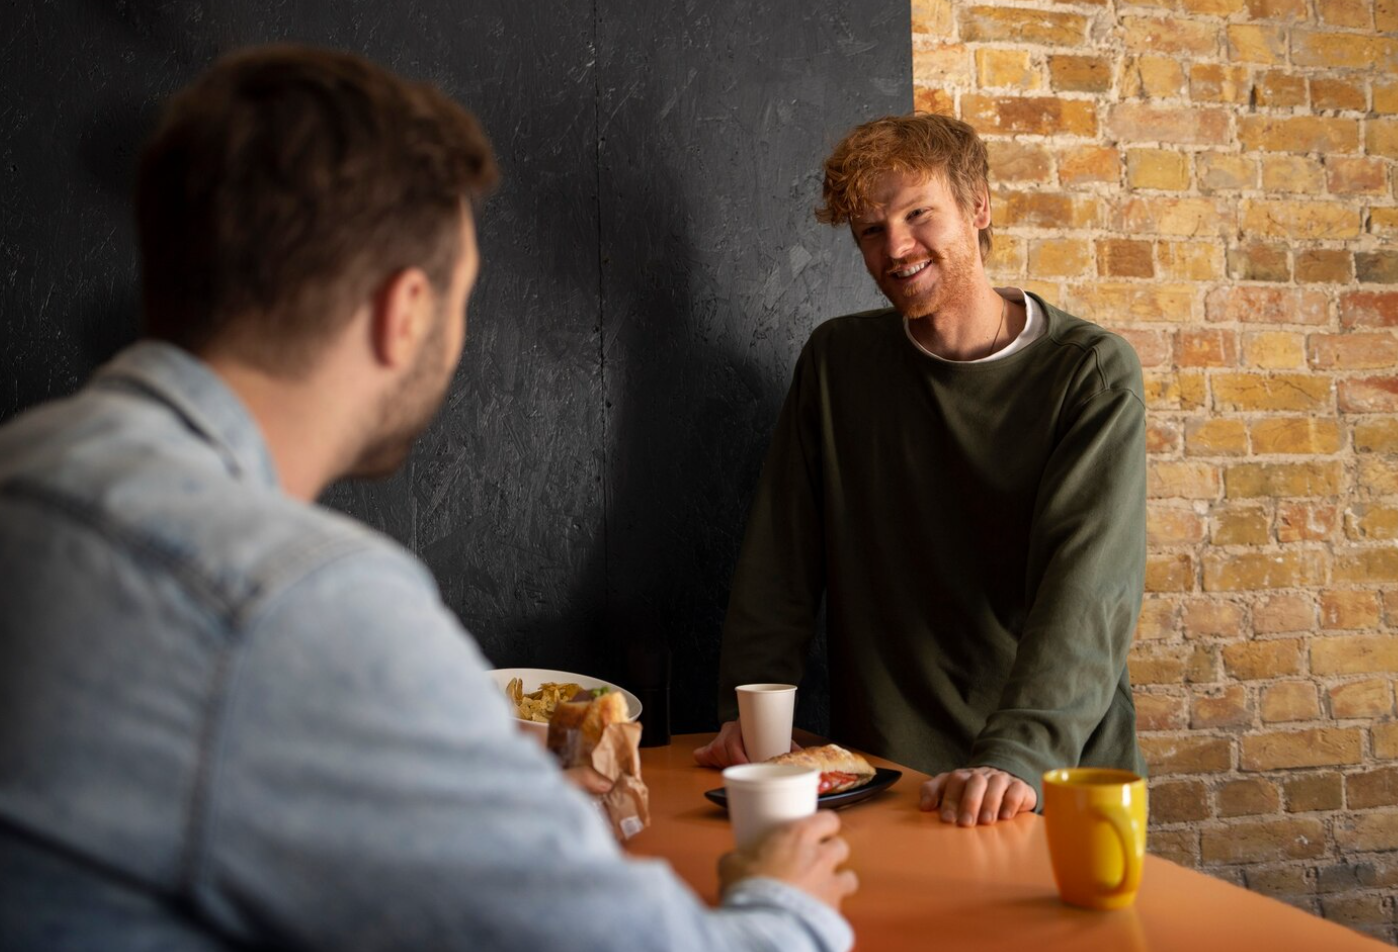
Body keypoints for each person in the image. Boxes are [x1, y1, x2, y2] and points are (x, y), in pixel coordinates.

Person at [0, 46, 855, 951]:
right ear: (402, 311)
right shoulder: (300, 605)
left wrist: (468, 811)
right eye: (462, 300)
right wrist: (782, 901)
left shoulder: (31, 468)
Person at [696, 113, 1147, 829]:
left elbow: (1088, 593)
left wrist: (1016, 754)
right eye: (871, 231)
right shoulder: (838, 363)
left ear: (979, 208)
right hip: (887, 772)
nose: (896, 248)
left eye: (917, 215)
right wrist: (752, 712)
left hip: (1049, 772)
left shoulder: (1089, 372)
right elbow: (779, 557)